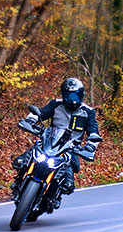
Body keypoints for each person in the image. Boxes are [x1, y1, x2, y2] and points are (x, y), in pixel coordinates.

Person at [11, 77, 100, 207]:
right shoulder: (56, 104)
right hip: (50, 142)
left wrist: (91, 145)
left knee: (68, 181)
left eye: (75, 95)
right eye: (68, 95)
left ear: (81, 95)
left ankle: (53, 195)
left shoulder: (88, 112)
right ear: (63, 94)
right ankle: (19, 178)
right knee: (31, 152)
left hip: (70, 149)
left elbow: (93, 130)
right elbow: (41, 113)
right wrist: (31, 120)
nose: (72, 99)